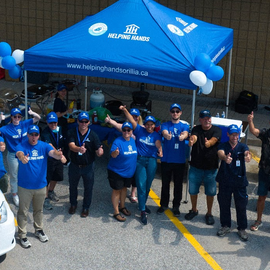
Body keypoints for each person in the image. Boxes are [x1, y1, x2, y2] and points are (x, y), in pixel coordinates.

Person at [16, 125, 65, 248]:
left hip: (40, 186)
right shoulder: (22, 145)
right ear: (27, 135)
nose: (33, 137)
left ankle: (39, 230)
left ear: (39, 135)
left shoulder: (44, 145)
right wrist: (22, 158)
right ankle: (22, 235)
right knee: (23, 211)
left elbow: (52, 153)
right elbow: (19, 153)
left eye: (35, 135)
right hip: (25, 186)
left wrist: (58, 154)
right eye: (31, 134)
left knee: (39, 210)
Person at [120, 106, 162, 225]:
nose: (149, 126)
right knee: (141, 184)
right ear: (145, 124)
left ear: (154, 125)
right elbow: (132, 120)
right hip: (140, 161)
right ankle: (143, 210)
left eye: (151, 124)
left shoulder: (156, 135)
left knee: (148, 184)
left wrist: (160, 149)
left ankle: (142, 204)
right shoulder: (139, 130)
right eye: (147, 124)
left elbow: (158, 143)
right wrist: (124, 110)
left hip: (152, 161)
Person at [185, 110, 221, 225]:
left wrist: (208, 143)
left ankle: (209, 213)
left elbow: (214, 139)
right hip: (196, 167)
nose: (207, 120)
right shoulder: (196, 129)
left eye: (208, 118)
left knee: (210, 192)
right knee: (192, 190)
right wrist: (191, 141)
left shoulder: (217, 130)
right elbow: (194, 137)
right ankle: (194, 210)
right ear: (200, 120)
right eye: (204, 118)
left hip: (211, 169)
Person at [216, 124, 251, 241]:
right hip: (225, 180)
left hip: (239, 182)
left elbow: (247, 152)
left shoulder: (242, 146)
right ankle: (225, 226)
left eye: (236, 134)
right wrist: (225, 158)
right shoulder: (223, 145)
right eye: (232, 134)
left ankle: (242, 228)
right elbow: (220, 153)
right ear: (228, 134)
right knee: (224, 204)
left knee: (241, 205)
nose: (234, 136)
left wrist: (248, 156)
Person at [0, 107, 40, 206]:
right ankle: (14, 194)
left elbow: (38, 118)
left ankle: (25, 192)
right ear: (11, 117)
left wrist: (32, 112)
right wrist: (1, 120)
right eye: (15, 117)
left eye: (19, 116)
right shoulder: (6, 128)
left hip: (25, 153)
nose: (17, 118)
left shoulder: (24, 123)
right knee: (14, 175)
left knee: (27, 173)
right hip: (13, 155)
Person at [67, 111, 103, 217]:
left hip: (88, 166)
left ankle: (86, 207)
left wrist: (100, 152)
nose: (83, 123)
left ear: (89, 122)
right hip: (74, 165)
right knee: (73, 186)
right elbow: (71, 146)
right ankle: (73, 204)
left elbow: (98, 149)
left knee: (88, 188)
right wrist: (79, 149)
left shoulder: (93, 135)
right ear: (77, 121)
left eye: (85, 121)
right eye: (81, 121)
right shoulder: (72, 132)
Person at [157, 103, 189, 217]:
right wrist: (167, 136)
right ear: (170, 113)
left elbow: (186, 133)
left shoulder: (184, 125)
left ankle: (176, 206)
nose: (175, 113)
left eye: (177, 111)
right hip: (166, 160)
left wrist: (183, 137)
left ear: (180, 113)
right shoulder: (165, 124)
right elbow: (164, 132)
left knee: (178, 185)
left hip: (179, 161)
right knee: (165, 184)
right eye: (173, 111)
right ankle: (163, 205)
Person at [105, 108, 143, 204]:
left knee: (135, 177)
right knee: (122, 182)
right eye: (132, 116)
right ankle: (118, 199)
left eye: (136, 116)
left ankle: (133, 194)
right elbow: (117, 125)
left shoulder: (141, 128)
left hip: (137, 155)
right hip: (127, 156)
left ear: (139, 117)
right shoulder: (126, 127)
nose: (133, 118)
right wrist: (109, 120)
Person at [107, 122, 137, 222]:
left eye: (128, 130)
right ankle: (116, 212)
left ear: (131, 131)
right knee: (117, 190)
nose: (126, 132)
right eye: (124, 130)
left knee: (124, 189)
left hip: (128, 172)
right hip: (117, 171)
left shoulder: (132, 141)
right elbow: (113, 154)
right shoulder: (117, 141)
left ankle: (122, 207)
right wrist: (115, 153)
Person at [247, 111, 270, 231]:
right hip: (265, 171)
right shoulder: (266, 133)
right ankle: (258, 220)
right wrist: (250, 121)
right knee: (261, 197)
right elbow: (253, 131)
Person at [40, 112, 67, 210]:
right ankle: (45, 198)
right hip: (49, 159)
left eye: (55, 122)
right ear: (47, 122)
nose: (53, 125)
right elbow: (49, 146)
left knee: (56, 176)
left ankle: (51, 191)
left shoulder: (60, 129)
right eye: (51, 123)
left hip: (59, 157)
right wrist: (60, 155)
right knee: (46, 179)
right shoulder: (45, 132)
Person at [53, 83, 73, 164]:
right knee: (63, 142)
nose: (63, 92)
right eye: (62, 91)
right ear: (58, 91)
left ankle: (63, 158)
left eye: (64, 91)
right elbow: (57, 115)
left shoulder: (61, 100)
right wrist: (67, 111)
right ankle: (64, 160)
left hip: (63, 124)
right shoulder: (58, 101)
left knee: (64, 142)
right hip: (60, 125)